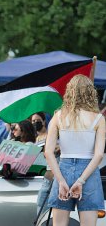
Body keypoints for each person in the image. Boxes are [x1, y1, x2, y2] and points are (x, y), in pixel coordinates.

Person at [45, 75, 105, 226]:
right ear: (91, 92)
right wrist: (81, 180)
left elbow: (48, 152)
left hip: (63, 170)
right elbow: (98, 155)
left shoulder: (58, 116)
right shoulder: (99, 119)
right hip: (89, 173)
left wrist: (60, 181)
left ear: (69, 92)